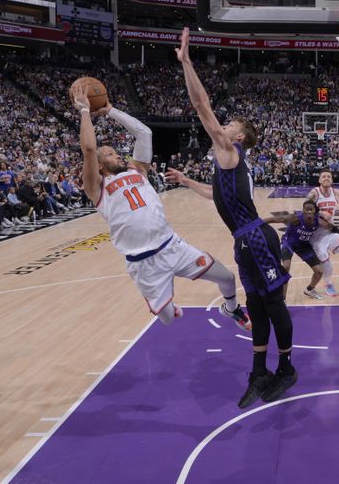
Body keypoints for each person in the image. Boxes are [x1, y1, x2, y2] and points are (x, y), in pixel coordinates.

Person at [176, 27, 296, 408]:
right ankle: (259, 370)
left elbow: (202, 109)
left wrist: (187, 63)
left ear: (239, 139)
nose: (223, 128)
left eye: (230, 128)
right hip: (245, 240)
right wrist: (185, 180)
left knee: (274, 305)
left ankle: (287, 368)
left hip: (257, 237)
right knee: (257, 308)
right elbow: (216, 196)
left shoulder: (231, 153)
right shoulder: (227, 167)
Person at [70, 84, 250, 331]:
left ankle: (231, 309)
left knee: (228, 278)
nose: (119, 155)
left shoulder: (137, 169)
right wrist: (84, 112)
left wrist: (111, 110)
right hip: (144, 264)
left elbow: (144, 133)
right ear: (100, 166)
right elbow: (89, 149)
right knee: (167, 317)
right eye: (111, 154)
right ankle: (167, 305)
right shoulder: (96, 187)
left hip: (173, 246)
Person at [262, 199, 336, 300]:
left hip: (303, 246)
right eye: (307, 210)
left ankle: (309, 290)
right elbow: (277, 218)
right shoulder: (295, 218)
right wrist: (258, 223)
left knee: (319, 271)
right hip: (289, 243)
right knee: (286, 266)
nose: (309, 212)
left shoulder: (318, 220)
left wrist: (336, 230)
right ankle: (282, 298)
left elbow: (331, 227)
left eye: (311, 210)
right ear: (303, 210)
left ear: (315, 211)